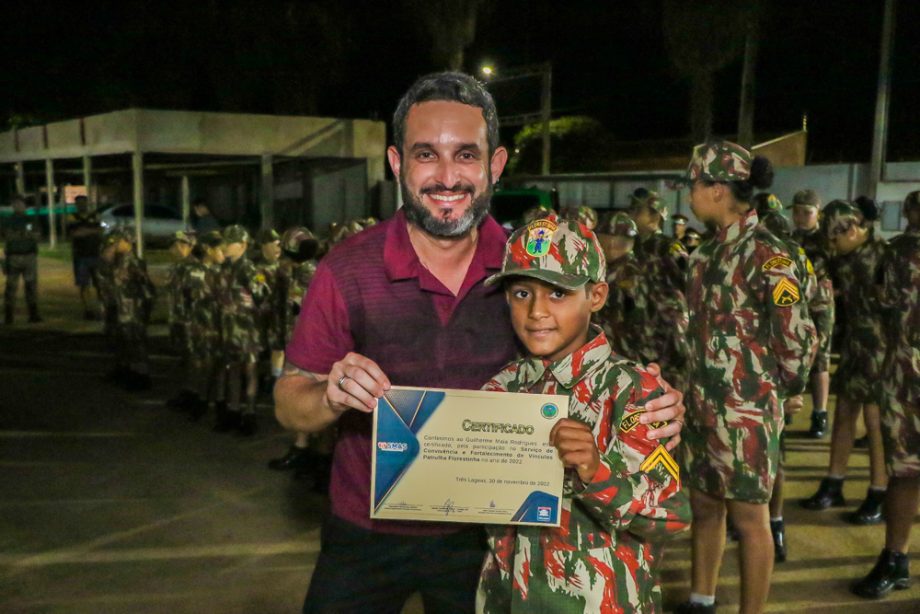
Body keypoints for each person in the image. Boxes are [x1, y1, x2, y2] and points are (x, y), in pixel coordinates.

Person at [274, 71, 686, 614]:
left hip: (490, 536)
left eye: (466, 155)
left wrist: (657, 406)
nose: (448, 176)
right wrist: (330, 394)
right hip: (365, 530)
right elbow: (289, 403)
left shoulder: (529, 268)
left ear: (495, 165)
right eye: (427, 155)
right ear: (397, 164)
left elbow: (601, 369)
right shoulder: (347, 269)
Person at [476, 213, 690, 612]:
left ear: (596, 296)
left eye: (557, 293)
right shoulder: (499, 389)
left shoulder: (635, 394)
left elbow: (671, 517)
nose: (537, 311)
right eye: (522, 293)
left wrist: (596, 471)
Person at [676, 141, 816, 614]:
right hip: (701, 407)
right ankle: (702, 599)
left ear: (717, 189)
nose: (689, 194)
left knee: (751, 519)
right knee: (705, 506)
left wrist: (785, 392)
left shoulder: (770, 256)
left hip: (746, 413)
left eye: (694, 185)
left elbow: (795, 336)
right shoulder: (703, 256)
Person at [801, 200, 889, 525]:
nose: (833, 248)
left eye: (836, 240)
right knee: (845, 414)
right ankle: (834, 482)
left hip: (882, 351)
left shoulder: (885, 257)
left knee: (876, 423)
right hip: (855, 346)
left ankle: (878, 491)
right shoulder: (842, 257)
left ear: (852, 229)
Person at [852, 190, 920, 598]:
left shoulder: (893, 253)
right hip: (906, 375)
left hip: (903, 372)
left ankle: (896, 558)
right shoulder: (895, 253)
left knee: (906, 470)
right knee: (906, 470)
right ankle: (896, 558)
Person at [754, 192, 822, 563]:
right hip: (748, 377)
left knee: (775, 457)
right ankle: (758, 520)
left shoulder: (791, 260)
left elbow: (812, 318)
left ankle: (775, 523)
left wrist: (797, 384)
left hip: (778, 376)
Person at [628, 189, 690, 392]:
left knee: (673, 386)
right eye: (633, 209)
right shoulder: (633, 247)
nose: (632, 214)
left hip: (668, 331)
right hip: (642, 330)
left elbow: (689, 284)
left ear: (655, 215)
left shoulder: (669, 247)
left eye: (639, 210)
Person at [790, 188, 835, 439]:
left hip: (819, 308)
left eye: (806, 212)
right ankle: (788, 408)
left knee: (820, 361)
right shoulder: (790, 239)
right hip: (794, 307)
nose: (800, 217)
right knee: (792, 356)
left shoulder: (826, 241)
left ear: (818, 213)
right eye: (796, 212)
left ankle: (820, 413)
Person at [216, 224, 267, 436]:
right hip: (230, 329)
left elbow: (263, 294)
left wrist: (251, 303)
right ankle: (233, 412)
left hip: (248, 331)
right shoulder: (225, 268)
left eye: (230, 242)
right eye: (225, 242)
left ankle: (250, 414)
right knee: (233, 369)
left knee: (250, 370)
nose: (226, 246)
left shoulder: (250, 269)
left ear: (243, 245)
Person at [594, 211, 649, 362]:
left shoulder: (632, 272)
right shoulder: (599, 269)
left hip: (625, 354)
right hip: (603, 351)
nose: (612, 245)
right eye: (606, 239)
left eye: (620, 241)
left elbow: (640, 321)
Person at [185, 230, 226, 421]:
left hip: (221, 326)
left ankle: (219, 402)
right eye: (219, 249)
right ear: (208, 249)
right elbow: (198, 297)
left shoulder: (222, 271)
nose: (223, 253)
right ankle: (201, 400)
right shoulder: (196, 271)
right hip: (204, 326)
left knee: (219, 366)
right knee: (206, 365)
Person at [110, 229, 156, 391]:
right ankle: (130, 373)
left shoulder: (134, 262)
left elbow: (147, 289)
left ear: (128, 242)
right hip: (124, 309)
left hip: (134, 311)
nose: (116, 244)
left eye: (119, 241)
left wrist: (144, 311)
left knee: (137, 344)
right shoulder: (121, 260)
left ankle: (142, 376)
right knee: (127, 343)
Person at [165, 231, 199, 411]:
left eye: (182, 244)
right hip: (177, 319)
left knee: (192, 358)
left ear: (191, 246)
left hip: (190, 321)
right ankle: (186, 391)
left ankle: (193, 393)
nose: (177, 248)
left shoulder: (194, 268)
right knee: (183, 358)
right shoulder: (175, 268)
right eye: (174, 245)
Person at [2, 195, 41, 324]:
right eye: (15, 203)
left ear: (25, 205)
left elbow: (35, 236)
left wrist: (21, 234)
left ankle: (33, 314)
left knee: (31, 286)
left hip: (29, 255)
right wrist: (25, 234)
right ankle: (9, 315)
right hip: (14, 256)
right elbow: (9, 236)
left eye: (20, 203)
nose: (18, 206)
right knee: (11, 287)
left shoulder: (30, 219)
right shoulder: (8, 220)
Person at [66, 195, 103, 320]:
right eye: (79, 203)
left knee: (100, 284)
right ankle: (88, 310)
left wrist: (84, 231)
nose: (82, 205)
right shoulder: (72, 217)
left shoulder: (95, 216)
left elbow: (100, 231)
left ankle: (102, 308)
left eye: (84, 202)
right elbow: (73, 234)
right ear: (76, 205)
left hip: (96, 254)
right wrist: (90, 231)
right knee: (84, 284)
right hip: (81, 256)